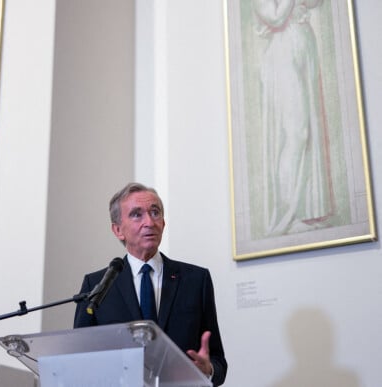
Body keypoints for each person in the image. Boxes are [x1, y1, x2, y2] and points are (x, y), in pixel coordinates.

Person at [74, 182, 227, 386]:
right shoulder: (96, 286)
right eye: (137, 214)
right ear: (118, 230)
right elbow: (77, 360)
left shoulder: (196, 280)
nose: (149, 222)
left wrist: (208, 370)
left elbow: (218, 363)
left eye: (155, 212)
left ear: (163, 223)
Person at [253, 0, 333, 236]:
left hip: (304, 44)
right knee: (297, 134)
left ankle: (305, 212)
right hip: (283, 53)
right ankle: (288, 214)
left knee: (310, 133)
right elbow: (275, 17)